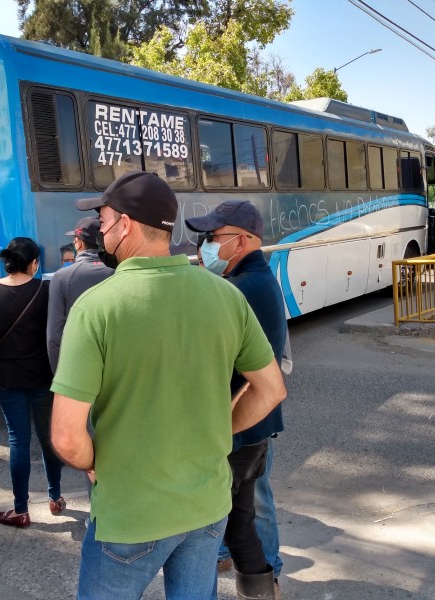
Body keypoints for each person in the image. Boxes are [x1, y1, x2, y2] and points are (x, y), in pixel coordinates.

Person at [50, 171, 287, 599]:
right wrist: (218, 430)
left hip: (131, 513)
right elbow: (271, 390)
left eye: (103, 221)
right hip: (207, 506)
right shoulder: (226, 296)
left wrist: (93, 461)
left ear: (124, 224)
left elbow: (67, 438)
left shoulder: (97, 307)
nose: (100, 231)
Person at [186, 200, 288, 596]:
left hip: (237, 427)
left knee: (209, 527)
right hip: (252, 427)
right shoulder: (252, 281)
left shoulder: (242, 289)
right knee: (240, 518)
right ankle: (262, 587)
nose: (206, 246)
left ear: (242, 240)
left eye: (213, 237)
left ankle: (256, 582)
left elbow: (239, 371)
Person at [0, 237, 66, 525]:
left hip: (7, 377)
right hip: (45, 375)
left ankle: (20, 510)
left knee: (18, 441)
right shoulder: (47, 290)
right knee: (49, 439)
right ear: (34, 263)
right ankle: (55, 498)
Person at [47, 216, 114, 373]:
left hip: (77, 367)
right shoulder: (118, 272)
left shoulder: (62, 277)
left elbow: (54, 336)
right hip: (113, 367)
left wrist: (59, 375)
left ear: (79, 242)